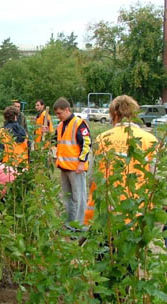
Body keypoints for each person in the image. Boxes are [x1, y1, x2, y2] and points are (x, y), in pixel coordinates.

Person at [86, 95, 158, 224]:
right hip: (138, 211)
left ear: (114, 114)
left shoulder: (102, 139)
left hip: (108, 210)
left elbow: (92, 176)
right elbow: (155, 177)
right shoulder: (150, 140)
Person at [53, 97, 91, 229]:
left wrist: (82, 162)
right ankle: (70, 224)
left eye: (59, 113)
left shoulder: (78, 123)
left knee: (79, 198)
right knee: (67, 197)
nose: (58, 116)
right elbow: (56, 141)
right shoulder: (60, 125)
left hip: (76, 168)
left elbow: (86, 143)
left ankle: (79, 225)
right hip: (64, 167)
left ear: (67, 110)